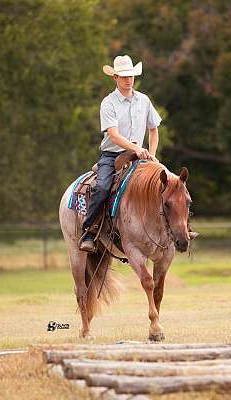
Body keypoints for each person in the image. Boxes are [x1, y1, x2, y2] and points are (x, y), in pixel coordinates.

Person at [79, 55, 162, 252]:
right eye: (124, 76)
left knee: (169, 184)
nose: (128, 79)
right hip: (112, 156)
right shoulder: (108, 103)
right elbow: (114, 136)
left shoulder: (144, 100)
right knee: (102, 187)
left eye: (131, 75)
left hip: (141, 156)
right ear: (115, 77)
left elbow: (154, 129)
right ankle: (89, 232)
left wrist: (151, 153)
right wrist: (137, 149)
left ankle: (176, 229)